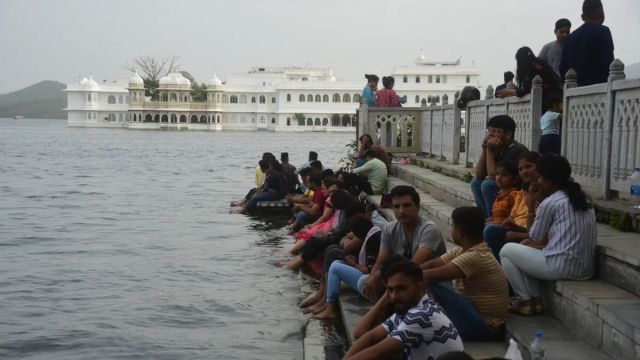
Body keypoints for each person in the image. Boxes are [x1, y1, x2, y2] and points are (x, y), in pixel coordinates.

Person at [500, 154, 597, 315]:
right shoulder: (584, 200)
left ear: (549, 180)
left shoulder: (551, 202)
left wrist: (531, 205)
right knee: (524, 246)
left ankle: (524, 299)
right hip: (584, 269)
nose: (537, 182)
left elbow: (535, 236)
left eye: (540, 178)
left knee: (506, 250)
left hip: (562, 267)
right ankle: (535, 301)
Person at [344, 260, 463, 360]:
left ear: (419, 287)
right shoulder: (408, 309)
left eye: (401, 289)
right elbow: (368, 337)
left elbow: (375, 352)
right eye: (390, 290)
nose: (394, 296)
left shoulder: (422, 315)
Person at [422, 207, 509, 341]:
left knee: (427, 282)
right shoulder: (464, 249)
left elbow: (427, 275)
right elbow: (432, 264)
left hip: (484, 326)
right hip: (473, 312)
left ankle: (423, 320)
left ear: (460, 232)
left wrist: (399, 275)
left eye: (452, 226)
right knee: (423, 279)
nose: (450, 229)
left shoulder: (475, 256)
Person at [362, 185, 446, 301]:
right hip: (401, 277)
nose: (401, 211)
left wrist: (378, 275)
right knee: (365, 282)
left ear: (417, 207)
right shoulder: (389, 229)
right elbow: (380, 262)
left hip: (428, 280)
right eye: (396, 206)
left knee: (394, 288)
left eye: (406, 205)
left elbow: (414, 265)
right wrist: (372, 279)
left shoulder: (429, 229)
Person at [312, 228, 382, 319]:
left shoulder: (381, 257)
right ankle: (325, 302)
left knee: (335, 267)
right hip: (367, 277)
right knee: (337, 262)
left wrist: (354, 264)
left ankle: (330, 309)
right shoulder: (377, 247)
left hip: (369, 285)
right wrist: (354, 262)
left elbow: (368, 271)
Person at [484, 151, 541, 260]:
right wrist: (510, 224)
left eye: (528, 167)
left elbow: (537, 233)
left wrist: (517, 234)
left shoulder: (542, 193)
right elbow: (512, 216)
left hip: (529, 234)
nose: (524, 172)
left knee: (491, 231)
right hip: (519, 229)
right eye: (521, 169)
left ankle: (497, 269)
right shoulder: (520, 193)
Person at [471, 115, 528, 218]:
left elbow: (493, 176)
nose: (491, 135)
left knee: (488, 185)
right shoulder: (498, 147)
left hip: (516, 189)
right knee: (476, 183)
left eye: (496, 131)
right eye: (490, 131)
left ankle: (494, 218)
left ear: (508, 134)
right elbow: (479, 174)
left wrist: (489, 150)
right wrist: (485, 150)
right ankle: (486, 218)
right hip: (503, 185)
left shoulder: (516, 150)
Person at [560, 0, 614, 86]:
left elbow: (563, 68)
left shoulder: (571, 37)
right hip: (598, 90)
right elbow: (608, 65)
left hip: (573, 93)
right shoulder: (603, 31)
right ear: (600, 11)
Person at [496, 47, 562, 112]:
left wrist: (509, 91)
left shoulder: (529, 68)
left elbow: (525, 90)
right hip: (557, 98)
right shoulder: (540, 64)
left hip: (546, 102)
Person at [488, 160, 520, 225]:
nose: (499, 178)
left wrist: (493, 223)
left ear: (515, 179)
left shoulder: (514, 195)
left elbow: (513, 219)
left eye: (504, 175)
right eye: (497, 174)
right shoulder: (499, 195)